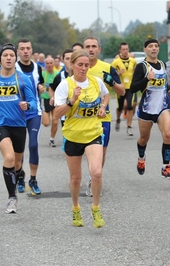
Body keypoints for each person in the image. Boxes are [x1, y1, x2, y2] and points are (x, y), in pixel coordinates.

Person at [53, 49, 110, 228]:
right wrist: (72, 100)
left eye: (87, 65)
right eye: (80, 65)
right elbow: (56, 114)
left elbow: (106, 95)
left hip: (93, 133)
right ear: (72, 65)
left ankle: (96, 207)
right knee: (76, 178)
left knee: (97, 172)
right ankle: (76, 208)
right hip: (72, 136)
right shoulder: (65, 85)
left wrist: (102, 107)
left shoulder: (96, 82)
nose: (84, 68)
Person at [0, 43, 37, 213]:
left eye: (11, 55)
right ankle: (12, 198)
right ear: (0, 59)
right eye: (5, 55)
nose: (8, 58)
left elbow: (34, 103)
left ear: (15, 58)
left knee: (17, 162)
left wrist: (28, 105)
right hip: (0, 124)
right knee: (9, 157)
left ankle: (20, 173)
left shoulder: (23, 79)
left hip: (18, 124)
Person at [130, 38, 170, 179]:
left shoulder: (162, 64)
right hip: (146, 108)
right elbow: (133, 88)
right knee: (144, 139)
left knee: (168, 135)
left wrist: (168, 89)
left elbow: (162, 83)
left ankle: (166, 167)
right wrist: (146, 79)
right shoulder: (142, 67)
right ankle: (141, 157)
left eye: (156, 46)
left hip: (163, 106)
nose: (154, 48)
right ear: (145, 49)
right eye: (150, 46)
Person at [83, 36, 125, 196]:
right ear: (83, 49)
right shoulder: (79, 67)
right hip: (82, 118)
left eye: (94, 46)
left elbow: (122, 91)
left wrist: (112, 82)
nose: (91, 49)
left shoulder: (107, 67)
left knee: (102, 151)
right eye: (88, 46)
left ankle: (92, 178)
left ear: (99, 49)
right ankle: (92, 175)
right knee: (87, 150)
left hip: (102, 117)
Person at [15, 38, 45, 195]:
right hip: (17, 114)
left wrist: (41, 88)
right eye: (22, 48)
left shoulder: (37, 68)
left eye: (28, 48)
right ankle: (20, 175)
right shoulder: (12, 67)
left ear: (31, 50)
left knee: (33, 145)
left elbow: (41, 84)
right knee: (17, 150)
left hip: (34, 112)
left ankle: (33, 179)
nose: (25, 51)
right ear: (18, 51)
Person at [111, 42, 137, 136]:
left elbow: (135, 70)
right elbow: (111, 75)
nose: (125, 51)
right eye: (123, 49)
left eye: (127, 49)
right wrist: (118, 73)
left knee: (130, 106)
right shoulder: (116, 62)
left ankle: (129, 127)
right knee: (121, 107)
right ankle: (118, 119)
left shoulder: (133, 61)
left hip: (130, 87)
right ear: (120, 50)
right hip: (121, 88)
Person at [50, 49, 73, 128]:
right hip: (65, 113)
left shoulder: (81, 74)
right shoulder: (60, 76)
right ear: (62, 60)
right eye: (67, 59)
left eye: (72, 58)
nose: (70, 60)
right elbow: (51, 88)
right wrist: (53, 97)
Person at [41, 56, 59, 147]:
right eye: (47, 63)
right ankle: (42, 116)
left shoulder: (57, 74)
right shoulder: (43, 74)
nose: (49, 65)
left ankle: (51, 139)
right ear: (45, 64)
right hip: (45, 99)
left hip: (55, 99)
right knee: (46, 123)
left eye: (50, 63)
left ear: (54, 64)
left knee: (55, 121)